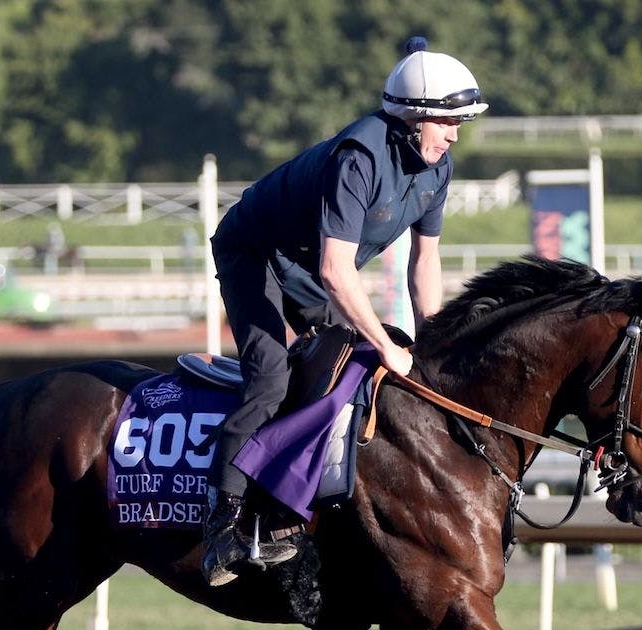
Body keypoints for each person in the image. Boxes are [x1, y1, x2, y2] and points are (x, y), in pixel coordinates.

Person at [201, 36, 489, 588]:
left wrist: (430, 345)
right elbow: (337, 271)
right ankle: (224, 527)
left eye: (459, 122)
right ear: (412, 118)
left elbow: (424, 264)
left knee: (346, 371)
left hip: (310, 267)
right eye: (447, 120)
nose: (455, 133)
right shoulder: (359, 157)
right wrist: (386, 343)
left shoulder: (437, 167)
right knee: (271, 379)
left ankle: (294, 512)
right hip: (255, 253)